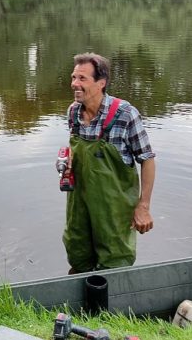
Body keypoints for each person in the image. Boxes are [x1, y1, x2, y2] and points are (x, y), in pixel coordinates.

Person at [62, 52, 155, 273]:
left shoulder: (125, 114)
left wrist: (143, 206)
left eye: (82, 78)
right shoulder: (73, 112)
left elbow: (147, 159)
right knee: (77, 252)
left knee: (115, 259)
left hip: (114, 207)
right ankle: (81, 304)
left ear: (101, 83)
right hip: (78, 204)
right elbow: (77, 153)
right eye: (74, 77)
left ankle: (111, 305)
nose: (75, 83)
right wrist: (67, 164)